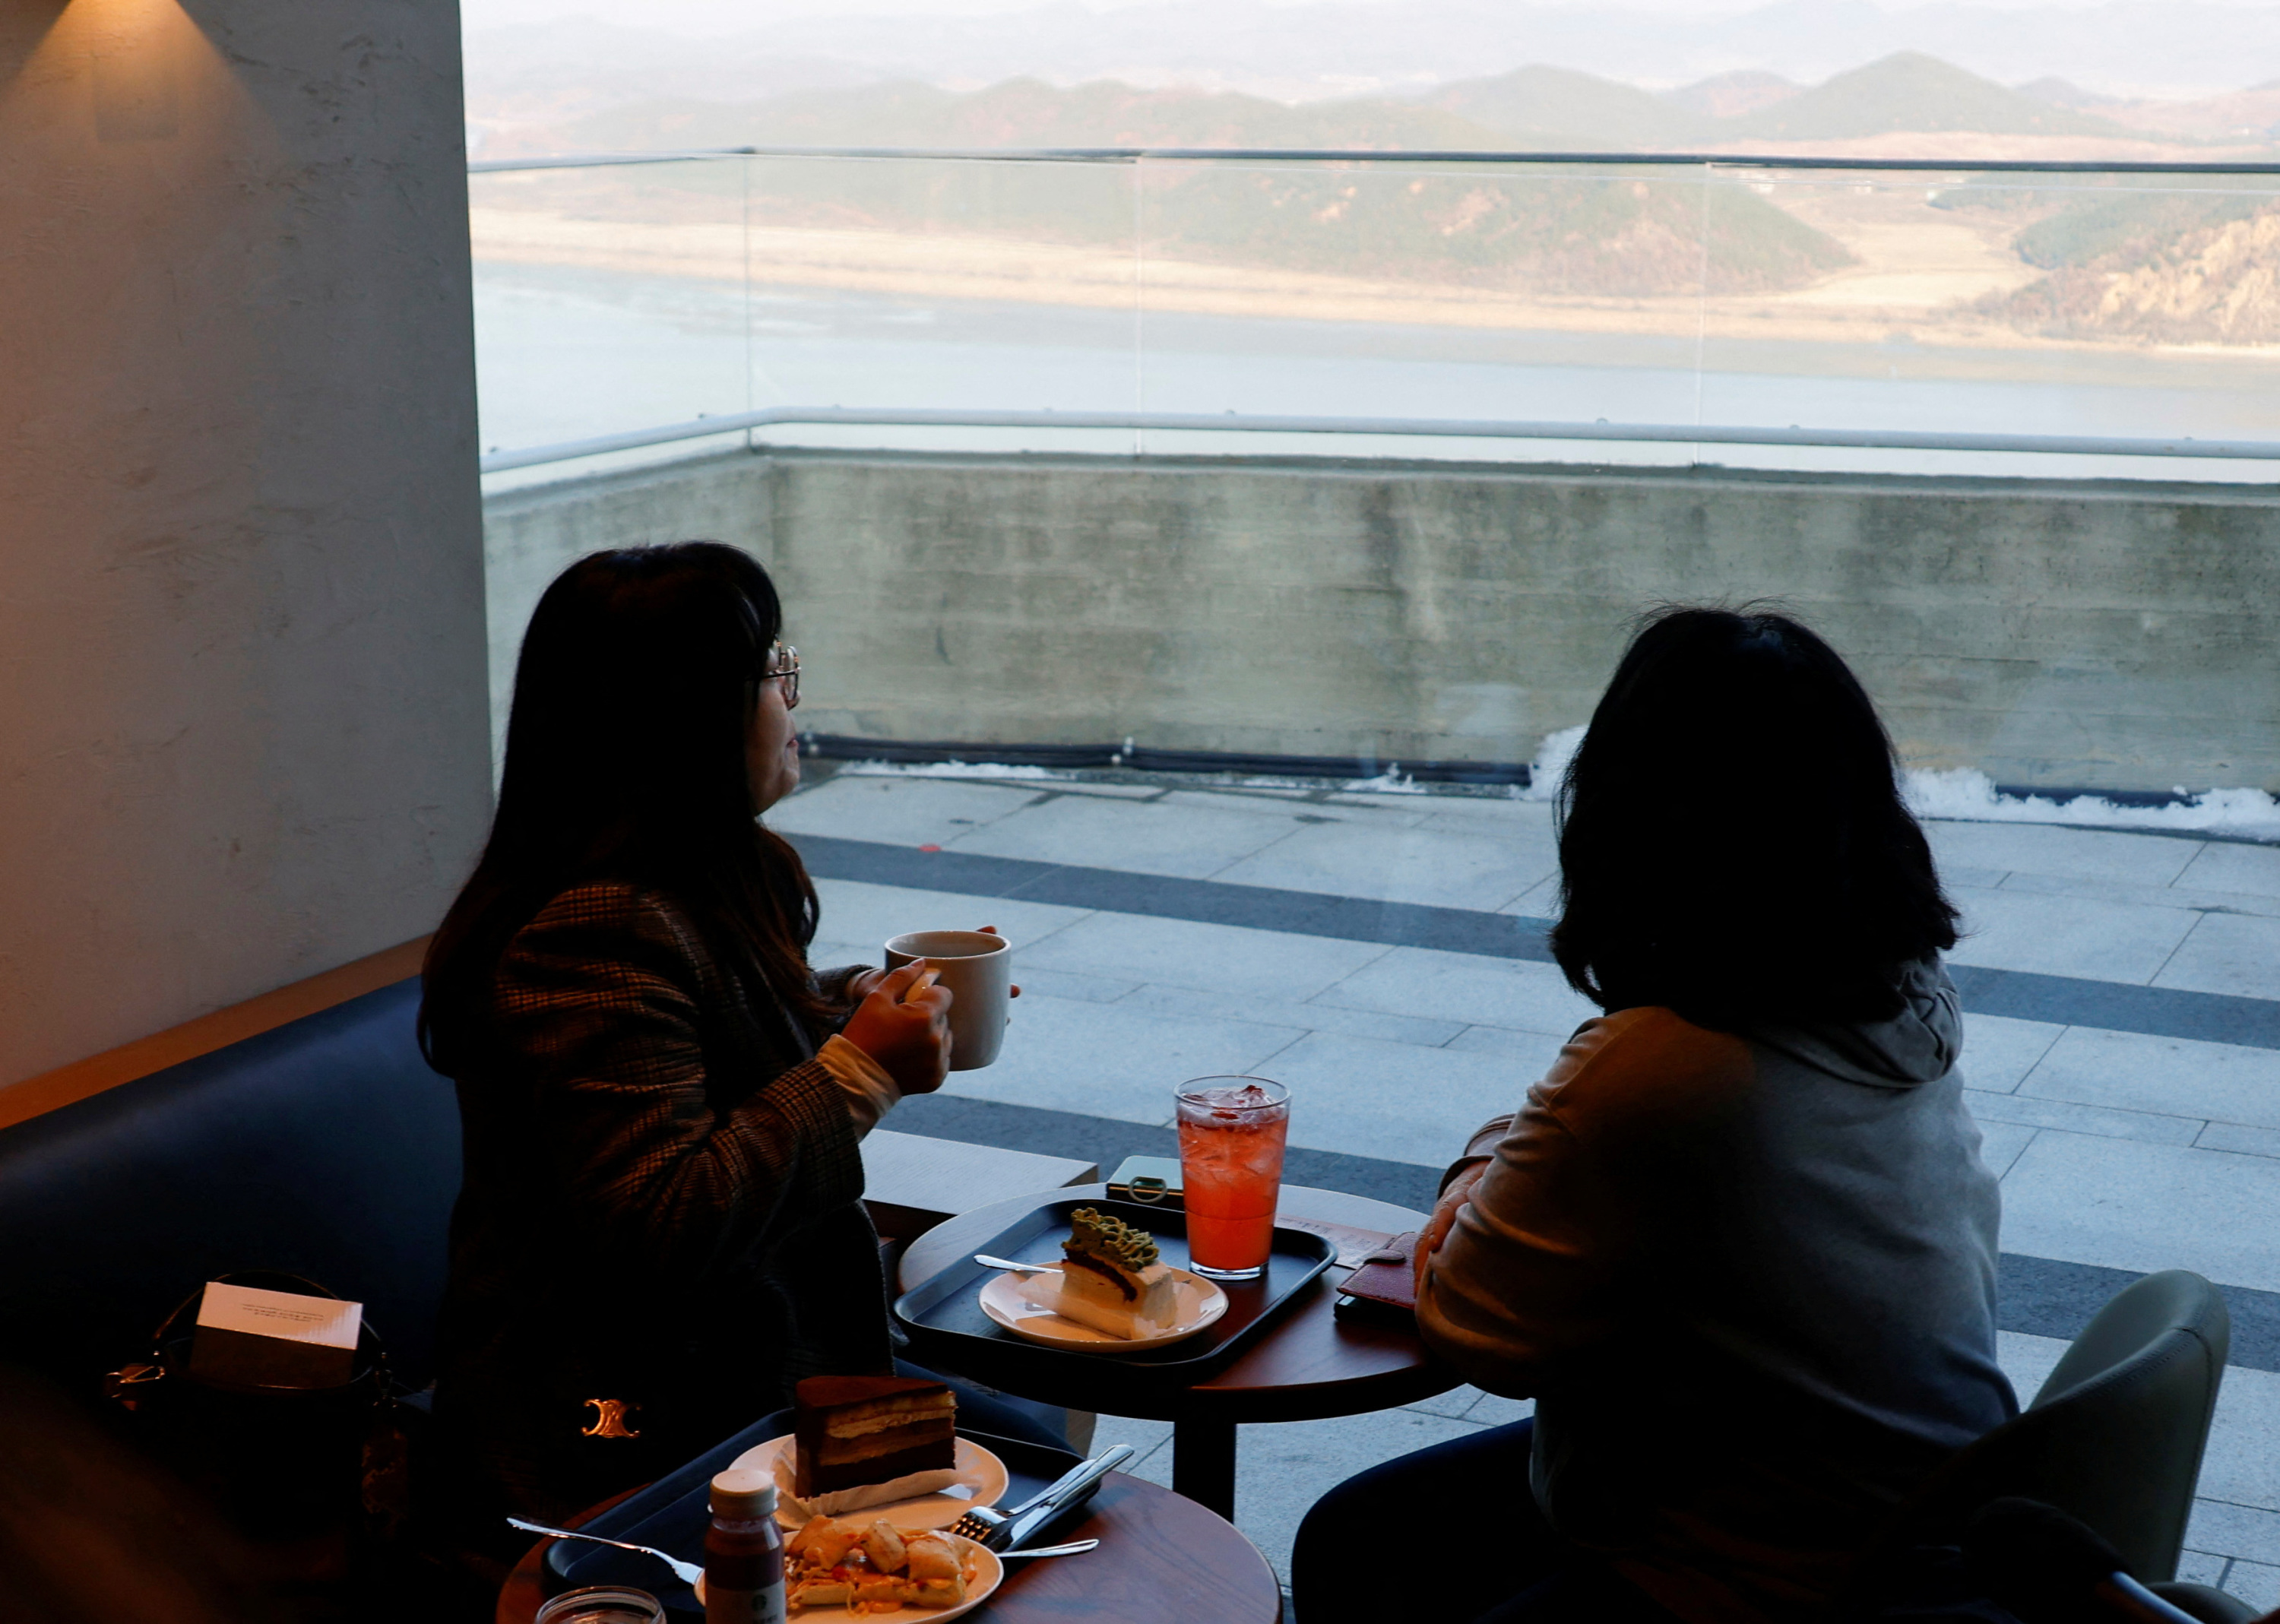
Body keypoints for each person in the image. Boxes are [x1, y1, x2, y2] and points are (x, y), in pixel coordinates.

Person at [1292, 607, 2017, 1624]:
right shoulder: (1902, 996)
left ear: (1638, 818)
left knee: (1360, 1548)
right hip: (1928, 1507)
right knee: (1366, 1532)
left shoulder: (1665, 1070)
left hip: (1777, 1569)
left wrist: (1475, 1166)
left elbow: (1475, 1325)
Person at [420, 542, 1048, 1540]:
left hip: (756, 1360)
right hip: (634, 1423)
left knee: (1059, 1465)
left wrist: (860, 1006)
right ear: (686, 716)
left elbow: (708, 1040)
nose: (791, 701)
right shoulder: (589, 928)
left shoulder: (707, 872)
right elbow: (661, 1217)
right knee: (1046, 1487)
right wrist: (861, 1069)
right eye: (772, 674)